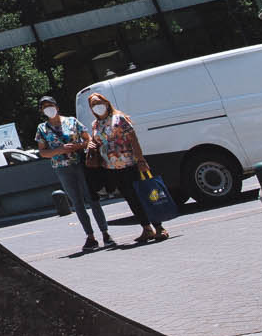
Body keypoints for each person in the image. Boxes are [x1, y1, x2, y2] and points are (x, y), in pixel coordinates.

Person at [85, 92, 168, 245]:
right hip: (111, 168)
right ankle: (146, 228)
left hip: (130, 163)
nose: (97, 106)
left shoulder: (119, 118)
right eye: (93, 105)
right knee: (130, 199)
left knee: (143, 196)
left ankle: (159, 226)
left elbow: (133, 139)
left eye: (99, 102)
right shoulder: (95, 125)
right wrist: (92, 144)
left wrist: (140, 159)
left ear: (106, 102)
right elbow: (98, 141)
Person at [36, 95, 115, 254]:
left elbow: (89, 140)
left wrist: (76, 146)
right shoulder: (42, 129)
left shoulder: (71, 121)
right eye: (44, 107)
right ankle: (90, 236)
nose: (48, 108)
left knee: (92, 198)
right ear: (42, 110)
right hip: (62, 167)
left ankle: (105, 233)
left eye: (50, 105)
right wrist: (59, 150)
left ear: (57, 106)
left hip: (80, 164)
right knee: (77, 202)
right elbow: (42, 152)